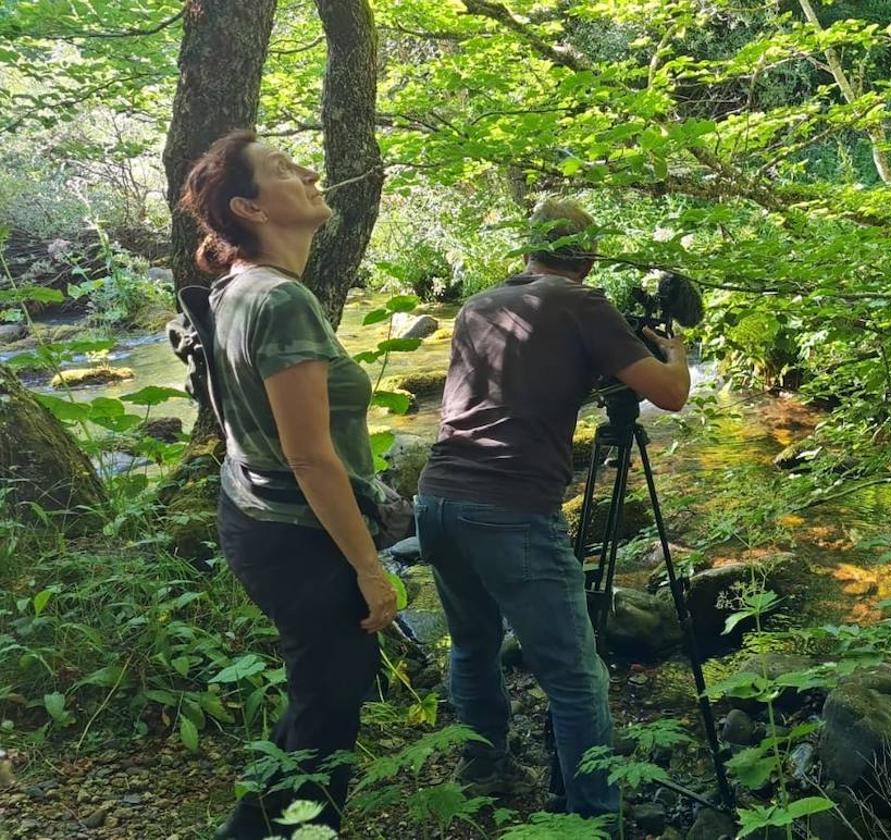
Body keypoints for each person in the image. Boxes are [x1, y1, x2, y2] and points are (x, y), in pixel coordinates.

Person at [414, 198, 692, 824]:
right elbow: (670, 396)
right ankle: (593, 816)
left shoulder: (479, 305)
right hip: (511, 508)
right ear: (588, 257)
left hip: (436, 499)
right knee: (575, 677)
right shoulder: (583, 305)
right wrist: (676, 352)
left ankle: (484, 765)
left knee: (472, 643)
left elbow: (519, 385)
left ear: (529, 250)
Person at [176, 130, 397, 838]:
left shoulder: (235, 289)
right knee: (327, 711)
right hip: (299, 534)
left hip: (255, 516)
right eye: (282, 169)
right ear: (251, 208)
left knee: (320, 697)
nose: (307, 172)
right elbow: (310, 457)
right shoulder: (281, 301)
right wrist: (371, 570)